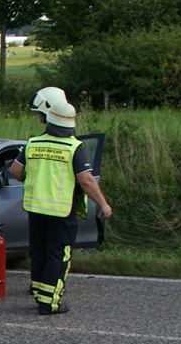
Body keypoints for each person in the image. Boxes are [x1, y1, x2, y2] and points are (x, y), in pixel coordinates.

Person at [8, 100, 113, 315]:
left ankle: (39, 293)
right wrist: (103, 204)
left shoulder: (33, 143)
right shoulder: (73, 147)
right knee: (58, 254)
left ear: (49, 119)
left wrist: (34, 179)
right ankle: (50, 302)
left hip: (35, 208)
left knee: (39, 252)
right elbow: (86, 181)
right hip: (61, 211)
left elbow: (15, 170)